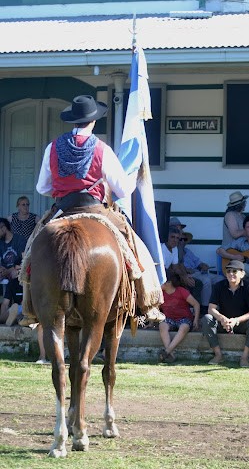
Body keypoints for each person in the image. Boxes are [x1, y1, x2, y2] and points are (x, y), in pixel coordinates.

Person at [19, 95, 163, 327]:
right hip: (96, 209)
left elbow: (42, 187)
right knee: (134, 245)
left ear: (73, 121)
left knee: (32, 250)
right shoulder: (102, 149)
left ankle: (28, 309)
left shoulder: (52, 147)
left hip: (63, 209)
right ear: (93, 121)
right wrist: (134, 177)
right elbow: (123, 189)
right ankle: (149, 302)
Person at [202, 260, 249, 367]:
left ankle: (244, 357)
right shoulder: (218, 286)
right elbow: (211, 309)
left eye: (234, 271)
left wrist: (236, 320)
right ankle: (218, 355)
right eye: (228, 271)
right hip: (223, 323)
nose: (231, 274)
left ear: (242, 274)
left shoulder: (248, 287)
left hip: (241, 324)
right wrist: (222, 318)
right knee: (207, 318)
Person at [158, 267, 200, 363]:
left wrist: (196, 320)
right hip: (169, 318)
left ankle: (167, 351)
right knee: (162, 326)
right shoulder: (161, 293)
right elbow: (156, 308)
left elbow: (196, 304)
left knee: (184, 327)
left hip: (184, 318)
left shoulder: (181, 291)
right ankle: (170, 354)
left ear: (168, 282)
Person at [180, 231, 224, 313]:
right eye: (180, 239)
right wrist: (186, 270)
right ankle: (205, 307)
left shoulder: (188, 251)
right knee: (206, 280)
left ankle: (222, 305)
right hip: (190, 274)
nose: (182, 241)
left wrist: (203, 265)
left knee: (221, 279)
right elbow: (176, 267)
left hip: (199, 272)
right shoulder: (175, 252)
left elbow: (198, 262)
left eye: (184, 239)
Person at [161, 226, 203, 305]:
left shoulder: (174, 249)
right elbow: (162, 269)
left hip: (169, 275)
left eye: (177, 238)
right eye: (172, 237)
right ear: (167, 237)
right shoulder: (161, 248)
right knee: (180, 282)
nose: (175, 240)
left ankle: (194, 309)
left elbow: (176, 267)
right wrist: (183, 278)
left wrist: (185, 277)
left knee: (197, 283)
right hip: (161, 277)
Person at [0, 218, 27, 324]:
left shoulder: (19, 240)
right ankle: (10, 314)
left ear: (3, 228)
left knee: (14, 273)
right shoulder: (0, 242)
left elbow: (24, 261)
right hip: (5, 273)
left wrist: (8, 271)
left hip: (17, 271)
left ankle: (14, 313)